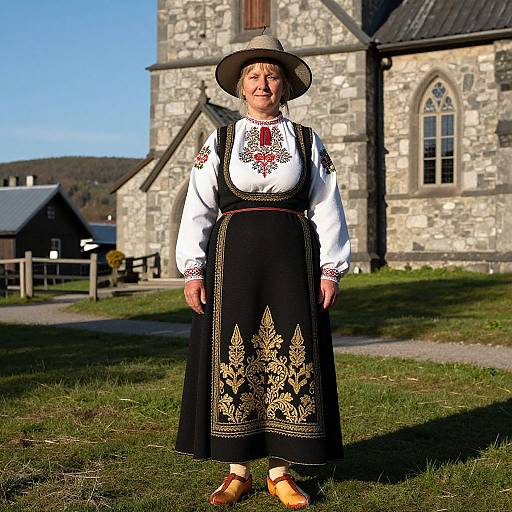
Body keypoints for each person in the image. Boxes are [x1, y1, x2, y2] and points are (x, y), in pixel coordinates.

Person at [175, 34, 351, 509]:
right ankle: (237, 472)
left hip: (292, 262)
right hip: (233, 262)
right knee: (236, 347)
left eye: (271, 75)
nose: (262, 83)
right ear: (240, 85)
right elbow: (198, 206)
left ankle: (280, 472)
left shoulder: (306, 141)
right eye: (253, 75)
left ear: (285, 86)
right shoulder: (221, 140)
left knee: (288, 350)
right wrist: (192, 269)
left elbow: (327, 204)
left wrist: (331, 268)